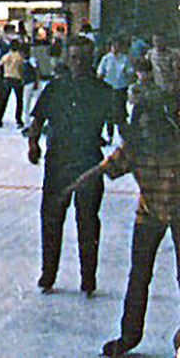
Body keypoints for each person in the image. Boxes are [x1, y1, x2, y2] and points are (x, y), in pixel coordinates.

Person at [64, 59, 177, 357]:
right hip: (149, 215)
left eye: (153, 127)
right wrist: (75, 183)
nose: (149, 133)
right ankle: (129, 336)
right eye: (143, 127)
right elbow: (103, 168)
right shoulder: (134, 148)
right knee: (139, 275)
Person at [26, 38, 115, 296]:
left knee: (88, 222)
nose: (79, 63)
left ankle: (88, 278)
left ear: (92, 59)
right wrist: (33, 144)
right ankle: (48, 274)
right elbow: (37, 119)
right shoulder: (55, 88)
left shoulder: (104, 91)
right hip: (58, 164)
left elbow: (121, 125)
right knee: (51, 220)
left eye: (84, 58)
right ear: (67, 58)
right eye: (74, 57)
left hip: (89, 164)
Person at [96, 37, 134, 144]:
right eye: (113, 46)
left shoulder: (125, 59)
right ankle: (110, 136)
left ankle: (125, 137)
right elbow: (100, 73)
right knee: (109, 114)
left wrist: (129, 81)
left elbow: (130, 73)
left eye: (117, 46)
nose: (115, 48)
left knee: (121, 114)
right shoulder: (106, 59)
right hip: (108, 89)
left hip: (121, 89)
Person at [0, 40, 28, 129]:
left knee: (3, 100)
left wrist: (3, 75)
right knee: (19, 101)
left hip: (7, 78)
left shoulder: (5, 56)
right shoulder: (19, 57)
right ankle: (18, 119)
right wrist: (23, 78)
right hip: (17, 78)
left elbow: (0, 66)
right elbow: (22, 68)